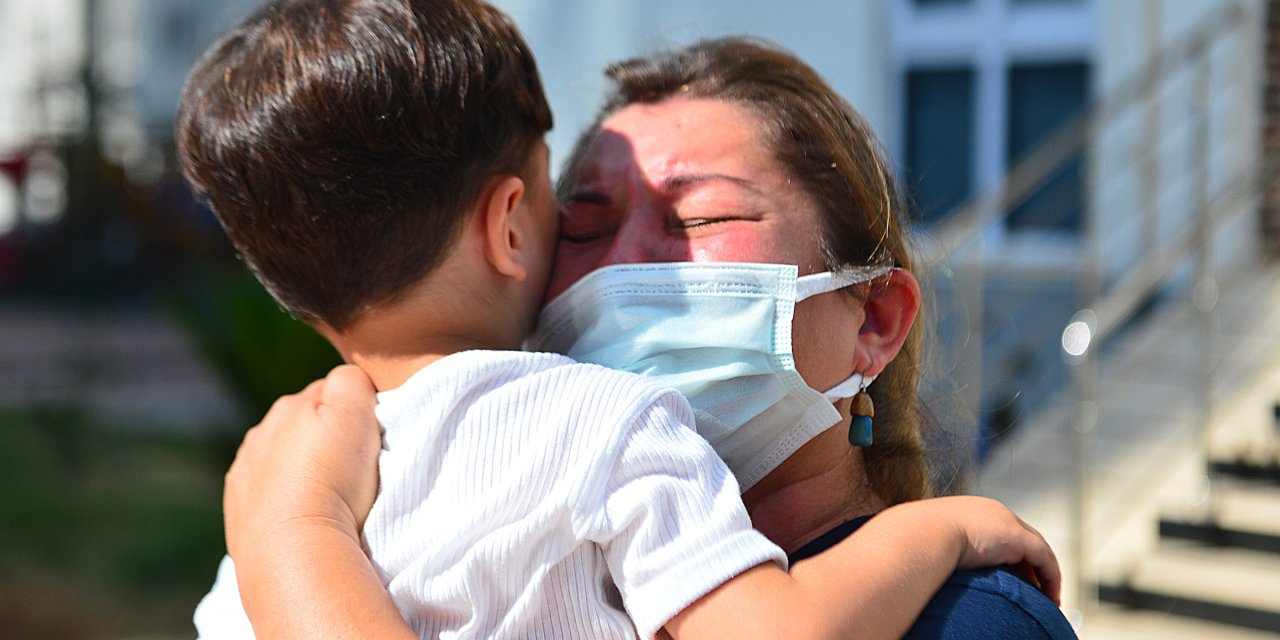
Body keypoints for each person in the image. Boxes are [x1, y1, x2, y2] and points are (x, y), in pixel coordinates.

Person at [180, 1, 1067, 636]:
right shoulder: (593, 440)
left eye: (700, 219)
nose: (621, 264)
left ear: (873, 317)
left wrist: (291, 540)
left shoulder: (971, 621)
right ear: (513, 229)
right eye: (586, 224)